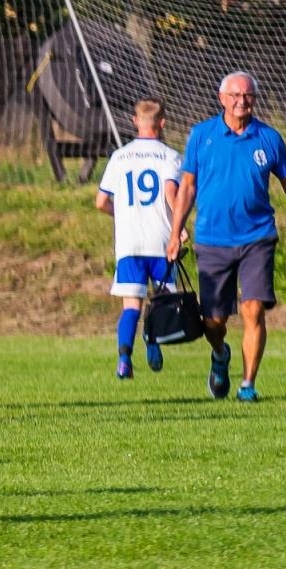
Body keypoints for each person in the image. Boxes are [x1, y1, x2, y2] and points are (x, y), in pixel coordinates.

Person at [166, 71, 286, 401]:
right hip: (212, 240)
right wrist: (174, 233)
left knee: (253, 309)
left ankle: (247, 385)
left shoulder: (268, 138)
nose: (241, 101)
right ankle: (220, 355)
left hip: (258, 238)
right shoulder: (201, 135)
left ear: (255, 99)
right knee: (213, 322)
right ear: (222, 99)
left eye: (248, 95)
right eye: (235, 95)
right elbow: (187, 188)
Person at [95, 98, 182, 379]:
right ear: (163, 123)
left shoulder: (119, 157)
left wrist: (121, 214)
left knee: (131, 305)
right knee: (162, 300)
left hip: (129, 243)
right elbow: (171, 194)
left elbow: (100, 202)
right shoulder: (170, 156)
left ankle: (124, 359)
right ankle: (152, 341)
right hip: (161, 240)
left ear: (135, 121)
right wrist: (180, 227)